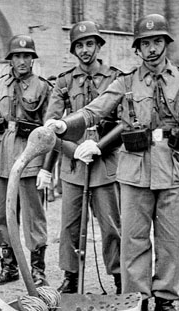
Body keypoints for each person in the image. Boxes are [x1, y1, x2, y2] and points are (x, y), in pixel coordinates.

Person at [46, 13, 179, 311]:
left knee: (172, 241)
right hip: (134, 169)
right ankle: (136, 304)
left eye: (158, 41)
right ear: (137, 49)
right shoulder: (125, 81)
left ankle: (166, 302)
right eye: (146, 43)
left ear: (166, 44)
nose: (152, 49)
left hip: (172, 168)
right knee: (134, 240)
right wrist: (64, 124)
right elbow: (95, 110)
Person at [43, 20, 122, 294]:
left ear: (99, 46)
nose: (85, 50)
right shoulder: (63, 82)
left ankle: (119, 278)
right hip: (73, 165)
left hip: (105, 161)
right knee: (70, 225)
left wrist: (100, 145)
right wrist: (72, 149)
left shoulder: (115, 78)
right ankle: (71, 276)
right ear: (73, 50)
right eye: (79, 45)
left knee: (111, 225)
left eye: (90, 44)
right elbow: (50, 126)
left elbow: (126, 121)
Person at [0, 35, 52, 287]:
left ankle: (37, 269)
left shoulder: (43, 87)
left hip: (30, 153)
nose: (22, 61)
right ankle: (8, 264)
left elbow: (49, 129)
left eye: (27, 56)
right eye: (17, 56)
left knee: (33, 215)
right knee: (2, 212)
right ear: (10, 59)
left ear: (33, 59)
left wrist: (46, 166)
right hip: (3, 154)